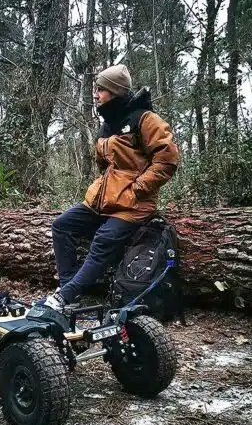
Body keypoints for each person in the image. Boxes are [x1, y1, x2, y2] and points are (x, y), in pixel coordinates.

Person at [38, 64, 179, 312]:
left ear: (115, 91)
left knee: (103, 240)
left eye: (101, 89)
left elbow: (167, 160)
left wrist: (137, 189)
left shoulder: (145, 119)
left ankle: (66, 296)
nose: (96, 94)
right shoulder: (107, 123)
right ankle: (69, 285)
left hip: (134, 205)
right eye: (96, 89)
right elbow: (107, 165)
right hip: (104, 200)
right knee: (62, 225)